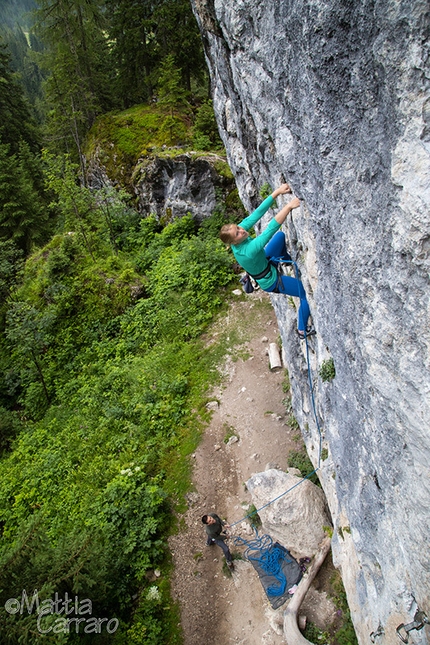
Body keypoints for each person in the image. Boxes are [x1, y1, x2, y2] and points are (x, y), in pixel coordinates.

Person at [219, 184, 312, 338]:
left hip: (265, 261)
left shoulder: (239, 233)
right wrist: (288, 206)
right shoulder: (247, 251)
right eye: (237, 233)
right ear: (233, 242)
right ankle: (302, 330)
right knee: (304, 293)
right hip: (271, 280)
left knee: (280, 238)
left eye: (238, 228)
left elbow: (257, 213)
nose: (242, 231)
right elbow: (270, 229)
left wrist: (277, 192)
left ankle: (286, 261)